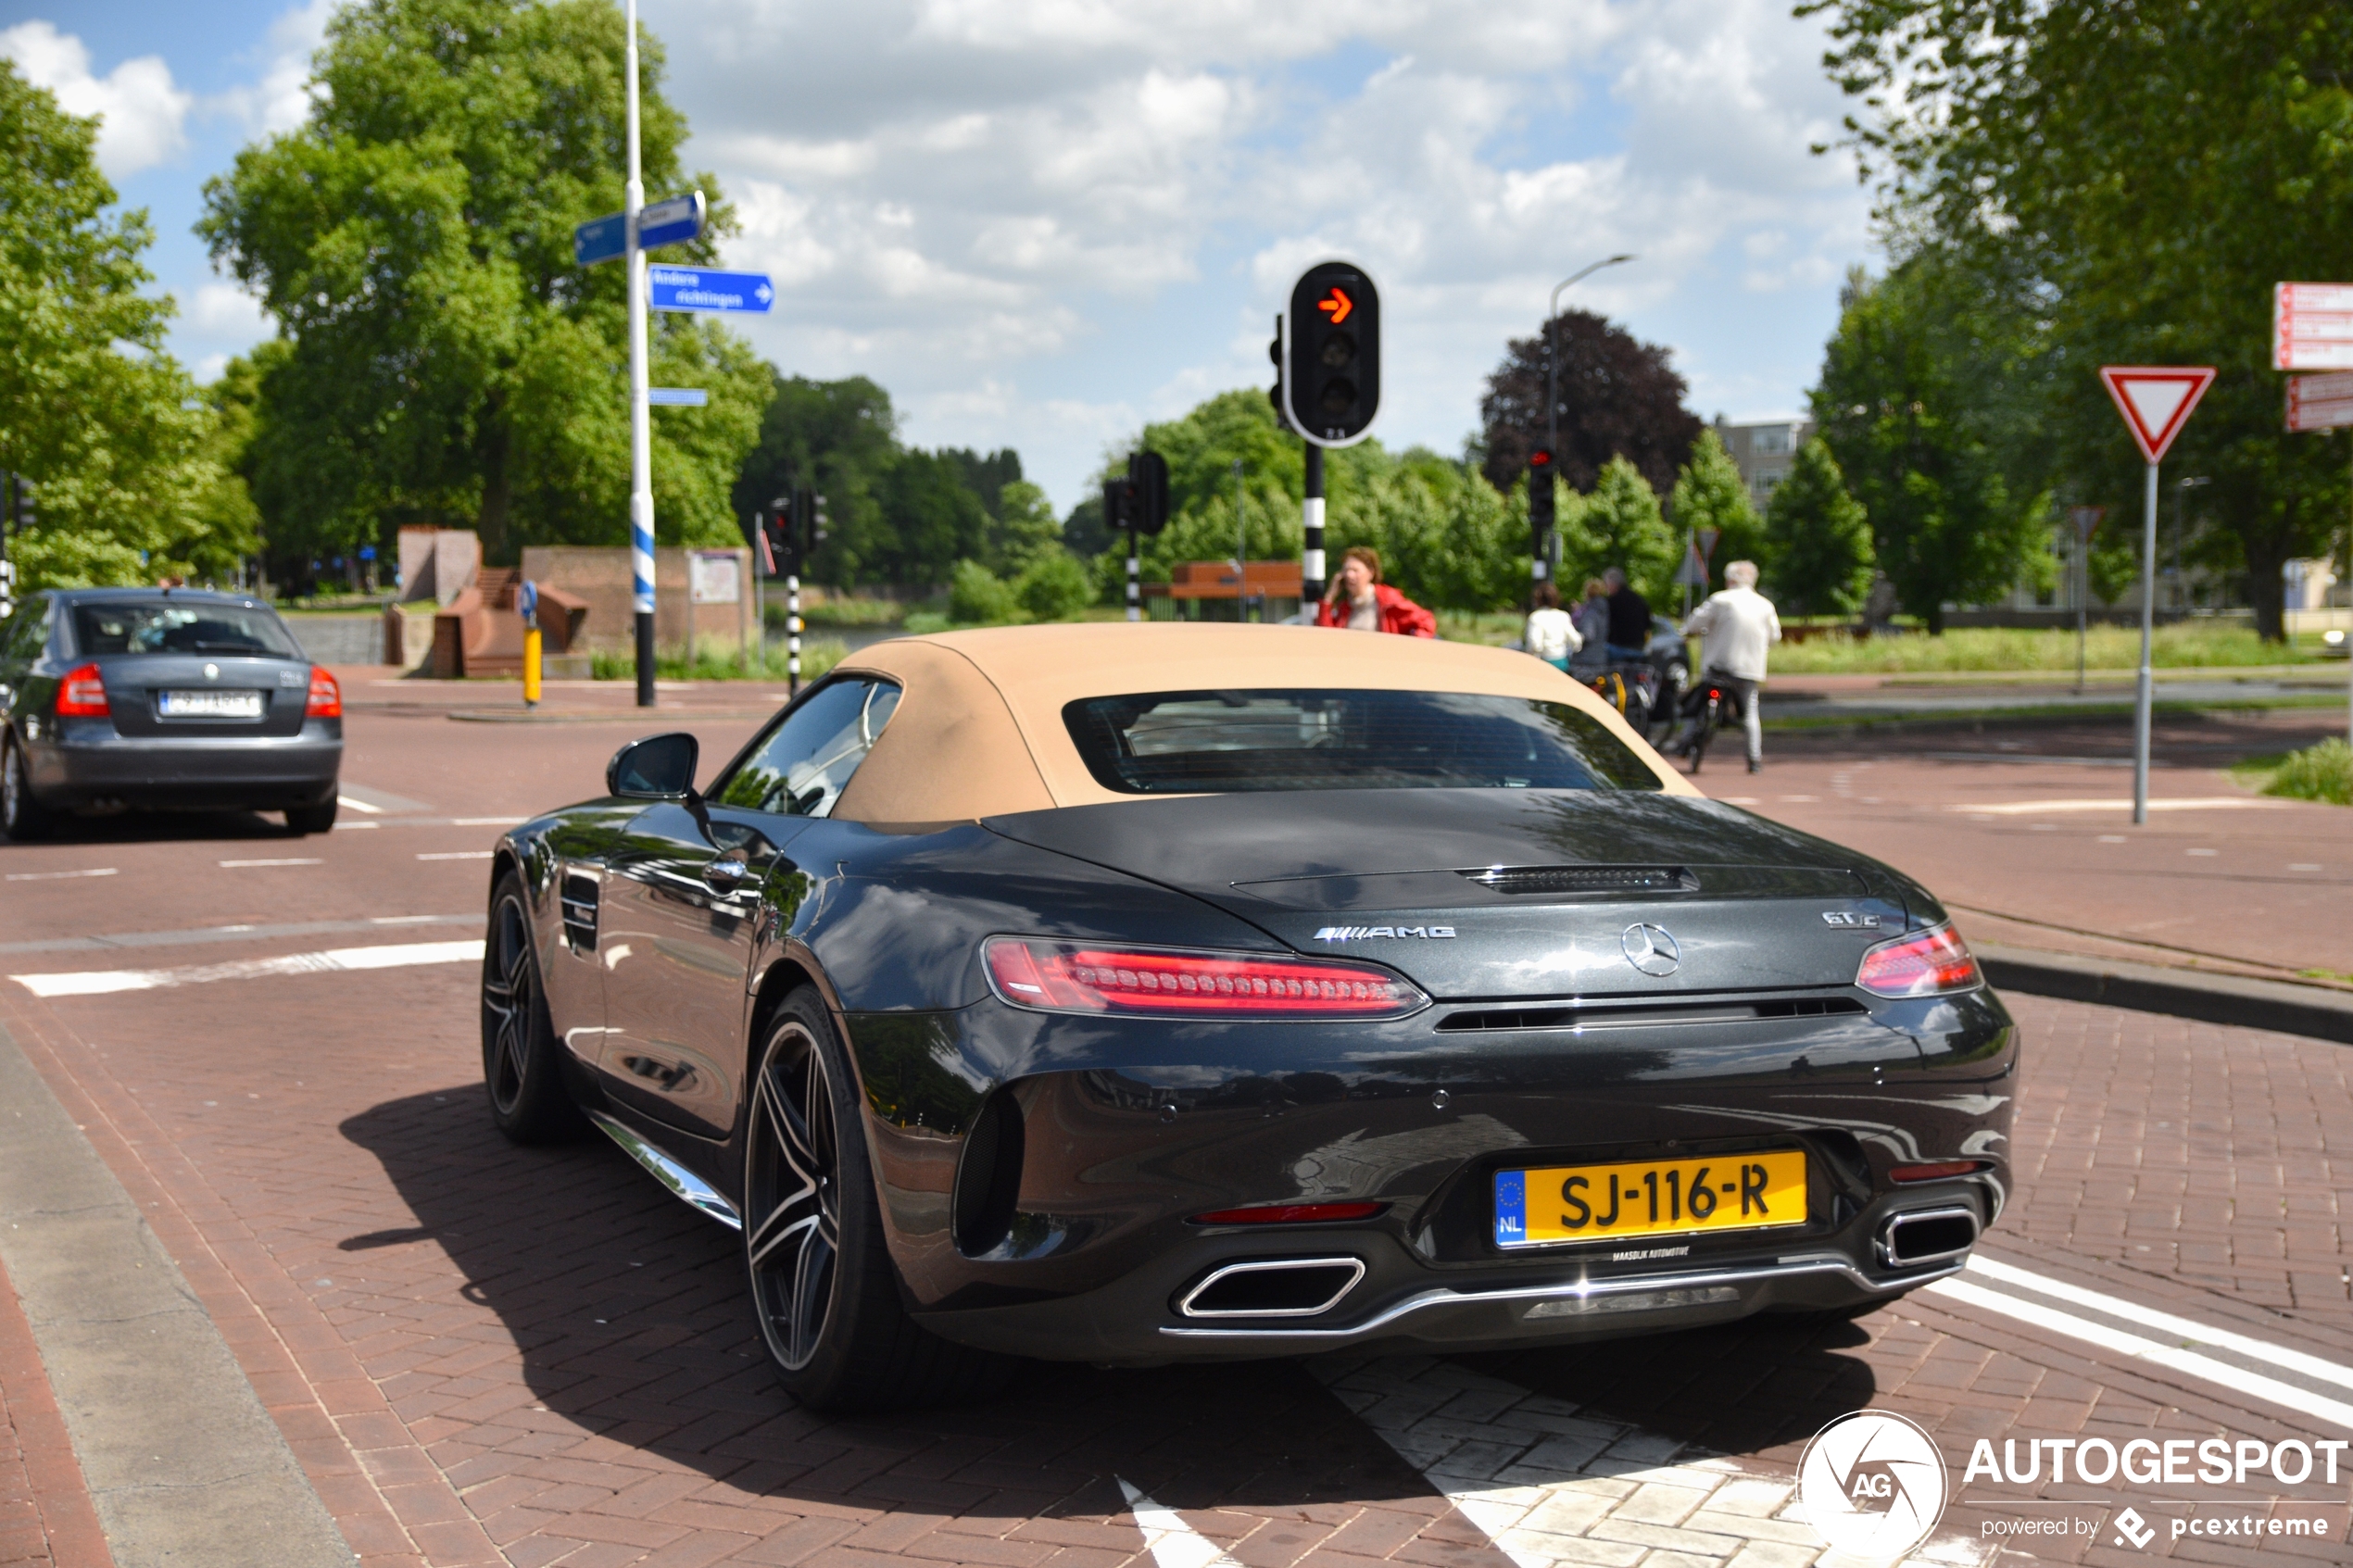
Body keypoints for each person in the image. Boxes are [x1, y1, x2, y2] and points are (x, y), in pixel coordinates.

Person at [1673, 558, 1781, 773]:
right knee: (1750, 712)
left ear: (1730, 579)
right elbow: (1775, 636)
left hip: (1719, 667)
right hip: (1749, 670)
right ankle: (1754, 759)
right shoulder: (1765, 605)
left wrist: (1686, 632)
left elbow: (1696, 622)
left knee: (1698, 701)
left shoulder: (1721, 599)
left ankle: (1686, 741)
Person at [1314, 546, 1436, 636]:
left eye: (1355, 570)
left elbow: (1425, 620)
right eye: (1346, 570)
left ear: (1371, 573)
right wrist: (1329, 598)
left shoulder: (1387, 600)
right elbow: (1326, 637)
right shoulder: (1345, 607)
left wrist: (1411, 648)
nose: (1349, 575)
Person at [1522, 582, 1580, 670]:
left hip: (1544, 662)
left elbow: (1534, 644)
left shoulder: (1536, 617)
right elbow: (1576, 640)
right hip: (1562, 662)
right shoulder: (1563, 616)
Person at [1601, 567, 1652, 663]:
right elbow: (1648, 625)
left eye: (1606, 584)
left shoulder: (1610, 602)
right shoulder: (1639, 600)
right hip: (1638, 647)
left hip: (1618, 648)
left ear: (1612, 584)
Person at [1570, 578, 1610, 667]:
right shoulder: (1603, 610)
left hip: (1585, 660)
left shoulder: (1590, 613)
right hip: (1600, 657)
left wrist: (1573, 637)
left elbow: (1588, 635)